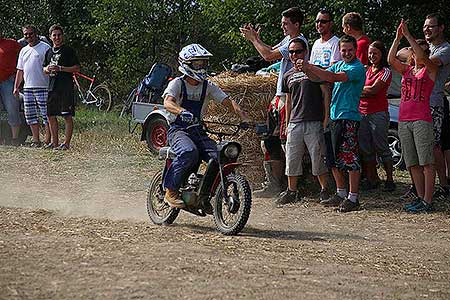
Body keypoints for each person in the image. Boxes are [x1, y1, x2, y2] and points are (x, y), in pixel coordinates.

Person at [162, 44, 249, 209]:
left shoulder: (208, 86)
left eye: (203, 63)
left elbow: (227, 101)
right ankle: (171, 191)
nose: (201, 67)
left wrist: (244, 117)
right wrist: (181, 112)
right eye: (197, 64)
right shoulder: (177, 84)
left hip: (197, 130)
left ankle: (204, 196)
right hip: (178, 130)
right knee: (189, 152)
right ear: (187, 63)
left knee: (220, 157)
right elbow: (168, 102)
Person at [240, 7, 308, 198]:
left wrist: (254, 40)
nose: (283, 27)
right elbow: (269, 51)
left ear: (297, 24)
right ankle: (274, 184)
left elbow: (268, 57)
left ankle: (290, 186)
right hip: (280, 96)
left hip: (288, 97)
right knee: (269, 140)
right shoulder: (288, 40)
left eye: (286, 23)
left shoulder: (298, 42)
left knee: (286, 141)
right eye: (282, 23)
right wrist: (257, 39)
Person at [298, 35, 366, 213]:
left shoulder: (357, 68)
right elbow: (319, 78)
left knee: (350, 158)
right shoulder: (340, 64)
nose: (347, 53)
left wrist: (309, 66)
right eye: (343, 50)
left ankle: (353, 197)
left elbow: (331, 76)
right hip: (335, 117)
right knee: (333, 158)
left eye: (350, 50)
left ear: (355, 50)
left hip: (349, 116)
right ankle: (341, 192)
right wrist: (305, 69)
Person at [388, 19, 438, 213]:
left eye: (421, 50)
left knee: (426, 161)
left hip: (421, 120)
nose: (417, 53)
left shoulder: (430, 70)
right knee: (412, 163)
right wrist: (397, 37)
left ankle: (428, 200)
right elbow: (391, 59)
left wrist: (408, 35)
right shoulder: (407, 70)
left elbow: (422, 57)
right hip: (404, 119)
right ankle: (419, 197)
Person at [276, 38, 331, 205]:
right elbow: (289, 100)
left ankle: (324, 190)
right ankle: (292, 191)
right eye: (291, 52)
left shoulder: (315, 70)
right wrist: (286, 123)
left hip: (314, 120)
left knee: (318, 157)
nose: (294, 55)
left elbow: (326, 93)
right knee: (292, 158)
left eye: (298, 51)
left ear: (305, 52)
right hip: (295, 122)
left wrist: (326, 118)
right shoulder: (287, 75)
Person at [359, 41, 395, 191]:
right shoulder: (366, 70)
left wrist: (358, 89)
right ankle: (372, 178)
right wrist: (362, 89)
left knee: (382, 147)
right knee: (366, 148)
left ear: (382, 55)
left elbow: (374, 90)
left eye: (375, 53)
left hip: (378, 113)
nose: (372, 56)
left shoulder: (385, 71)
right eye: (370, 53)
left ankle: (390, 179)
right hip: (362, 112)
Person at [423, 13, 450, 200]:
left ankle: (443, 185)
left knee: (435, 146)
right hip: (420, 103)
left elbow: (430, 64)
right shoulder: (426, 47)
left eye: (431, 26)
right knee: (425, 146)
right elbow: (400, 55)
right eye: (425, 26)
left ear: (441, 28)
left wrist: (415, 51)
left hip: (435, 103)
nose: (427, 29)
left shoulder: (445, 49)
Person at [43, 24, 80, 150]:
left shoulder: (68, 51)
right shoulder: (48, 52)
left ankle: (66, 143)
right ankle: (55, 142)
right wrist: (47, 69)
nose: (57, 37)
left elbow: (76, 68)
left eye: (59, 35)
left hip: (65, 87)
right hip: (52, 87)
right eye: (54, 35)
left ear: (62, 36)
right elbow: (44, 68)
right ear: (50, 37)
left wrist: (61, 68)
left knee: (66, 115)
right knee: (50, 115)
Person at [13, 25, 50, 147]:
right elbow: (20, 70)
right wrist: (16, 86)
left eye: (31, 33)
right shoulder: (23, 50)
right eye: (26, 34)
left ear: (36, 33)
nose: (28, 36)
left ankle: (48, 140)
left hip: (43, 86)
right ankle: (36, 140)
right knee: (31, 116)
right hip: (28, 88)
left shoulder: (45, 48)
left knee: (46, 115)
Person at [0, 31, 22, 145]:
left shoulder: (11, 43)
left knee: (12, 108)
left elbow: (26, 48)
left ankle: (15, 139)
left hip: (8, 81)